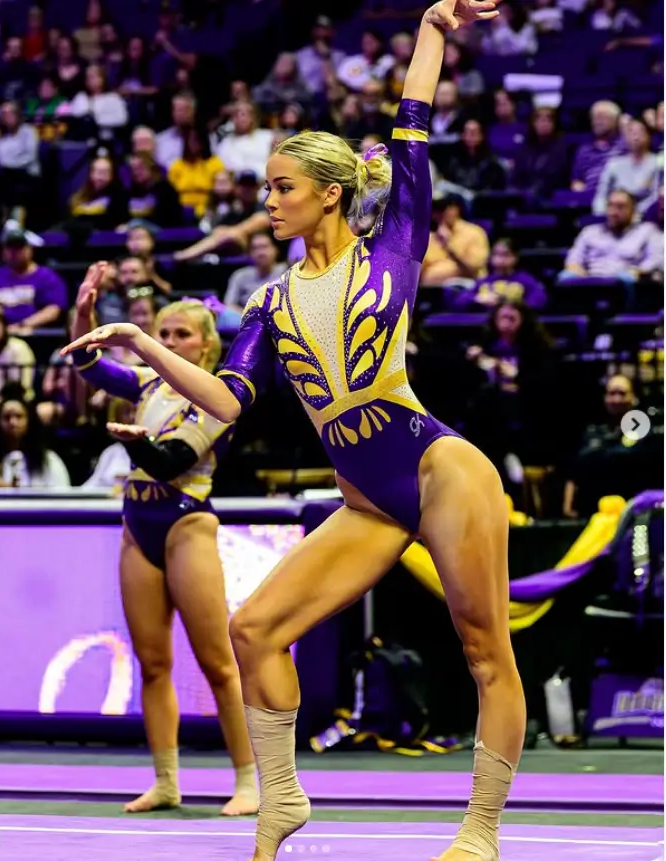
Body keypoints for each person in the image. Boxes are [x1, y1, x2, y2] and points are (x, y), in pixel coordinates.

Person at [62, 4, 523, 861]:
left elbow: (411, 123)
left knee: (482, 650)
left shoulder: (393, 246)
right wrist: (138, 342)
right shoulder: (267, 301)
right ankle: (280, 798)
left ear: (330, 194)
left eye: (281, 187)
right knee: (254, 630)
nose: (264, 201)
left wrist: (431, 28)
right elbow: (227, 400)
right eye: (265, 186)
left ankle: (479, 830)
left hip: (435, 468)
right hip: (365, 498)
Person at [69, 269, 259, 817]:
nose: (169, 342)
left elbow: (173, 460)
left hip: (186, 522)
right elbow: (86, 363)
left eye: (180, 336)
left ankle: (248, 780)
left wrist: (137, 442)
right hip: (139, 522)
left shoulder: (218, 394)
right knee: (153, 663)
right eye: (164, 333)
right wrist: (86, 313)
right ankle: (166, 780)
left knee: (218, 662)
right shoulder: (148, 383)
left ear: (205, 344)